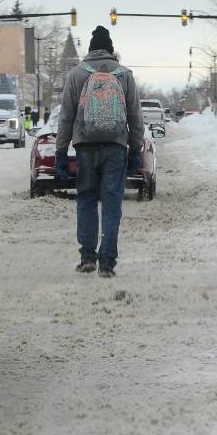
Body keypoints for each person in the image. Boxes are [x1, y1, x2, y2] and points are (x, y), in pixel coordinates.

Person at [54, 25, 143, 278]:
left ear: (90, 50)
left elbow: (66, 116)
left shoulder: (76, 74)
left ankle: (87, 257)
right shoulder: (125, 75)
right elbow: (135, 117)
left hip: (85, 146)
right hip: (115, 147)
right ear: (110, 50)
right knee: (112, 204)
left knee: (86, 199)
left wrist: (61, 150)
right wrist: (135, 150)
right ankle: (107, 263)